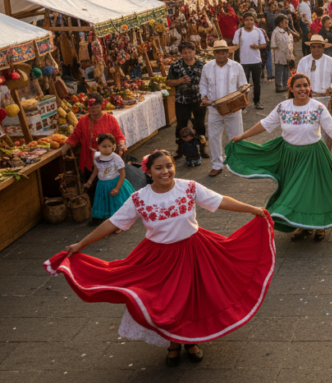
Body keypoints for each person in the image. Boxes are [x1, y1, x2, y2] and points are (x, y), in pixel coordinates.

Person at [45, 149, 273, 367]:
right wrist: (81, 244)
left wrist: (252, 209)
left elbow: (219, 200)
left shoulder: (189, 187)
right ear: (148, 171)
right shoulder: (139, 198)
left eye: (169, 166)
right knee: (168, 302)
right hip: (159, 257)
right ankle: (174, 342)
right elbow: (113, 223)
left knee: (193, 297)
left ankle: (190, 342)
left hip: (195, 249)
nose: (165, 172)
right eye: (158, 168)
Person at [225, 73, 332, 240]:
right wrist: (242, 136)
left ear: (309, 87)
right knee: (296, 193)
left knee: (314, 191)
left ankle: (320, 226)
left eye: (305, 85)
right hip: (290, 157)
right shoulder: (283, 107)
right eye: (298, 86)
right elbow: (265, 124)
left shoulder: (317, 107)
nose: (302, 89)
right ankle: (302, 226)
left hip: (314, 155)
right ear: (291, 88)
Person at [61, 94, 127, 213]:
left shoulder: (110, 119)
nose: (93, 109)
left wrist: (121, 145)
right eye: (90, 107)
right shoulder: (83, 120)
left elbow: (118, 136)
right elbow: (74, 136)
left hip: (107, 163)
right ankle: (97, 212)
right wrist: (64, 149)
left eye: (96, 106)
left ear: (102, 105)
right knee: (92, 188)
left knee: (109, 188)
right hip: (89, 160)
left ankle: (112, 213)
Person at [199, 39, 248, 178]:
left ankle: (237, 162)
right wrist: (204, 97)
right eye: (218, 52)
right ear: (214, 53)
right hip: (214, 108)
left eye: (224, 52)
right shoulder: (207, 67)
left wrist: (242, 95)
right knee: (214, 137)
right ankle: (217, 165)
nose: (221, 55)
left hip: (233, 108)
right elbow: (203, 85)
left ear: (228, 52)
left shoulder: (236, 66)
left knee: (236, 136)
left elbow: (243, 85)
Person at [165, 42, 207, 161]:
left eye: (190, 51)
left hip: (198, 99)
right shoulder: (176, 66)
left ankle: (202, 148)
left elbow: (208, 81)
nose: (188, 54)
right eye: (184, 52)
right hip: (182, 100)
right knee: (181, 125)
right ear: (181, 53)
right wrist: (179, 81)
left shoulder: (202, 65)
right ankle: (180, 149)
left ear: (194, 51)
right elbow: (168, 82)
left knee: (200, 125)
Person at [84, 133, 132, 231]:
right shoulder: (97, 157)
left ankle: (120, 225)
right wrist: (89, 181)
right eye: (104, 146)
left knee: (117, 205)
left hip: (115, 183)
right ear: (98, 146)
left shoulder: (116, 158)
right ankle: (107, 222)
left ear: (114, 147)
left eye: (109, 146)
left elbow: (122, 174)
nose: (107, 149)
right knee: (106, 204)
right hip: (102, 185)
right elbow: (96, 170)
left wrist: (117, 188)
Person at [232, 13, 268, 111]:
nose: (249, 22)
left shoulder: (258, 31)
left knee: (257, 83)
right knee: (244, 84)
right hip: (243, 62)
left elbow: (264, 44)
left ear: (254, 21)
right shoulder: (239, 32)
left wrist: (257, 46)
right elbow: (235, 45)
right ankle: (244, 102)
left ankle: (257, 101)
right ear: (243, 21)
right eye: (247, 20)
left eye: (251, 20)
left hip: (256, 60)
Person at [271, 15, 296, 94]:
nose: (286, 23)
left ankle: (286, 84)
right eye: (284, 21)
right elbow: (273, 45)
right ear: (280, 23)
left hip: (288, 54)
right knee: (279, 70)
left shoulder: (288, 32)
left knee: (286, 69)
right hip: (279, 54)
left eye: (286, 21)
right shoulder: (276, 32)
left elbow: (291, 43)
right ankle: (279, 85)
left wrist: (291, 53)